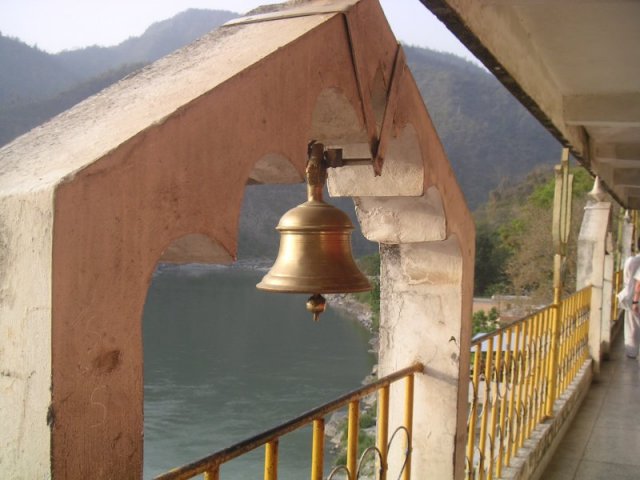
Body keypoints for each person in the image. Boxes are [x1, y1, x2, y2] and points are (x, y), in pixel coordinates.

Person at [620, 239, 640, 358]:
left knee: (631, 326)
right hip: (635, 298)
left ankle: (631, 352)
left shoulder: (630, 261)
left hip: (629, 295)